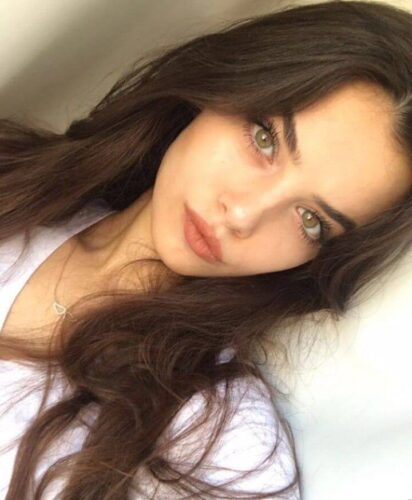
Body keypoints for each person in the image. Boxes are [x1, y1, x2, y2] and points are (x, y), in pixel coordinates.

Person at [0, 0, 412, 498]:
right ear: (222, 85)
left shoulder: (217, 443)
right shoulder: (15, 181)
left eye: (310, 220)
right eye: (265, 139)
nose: (242, 215)